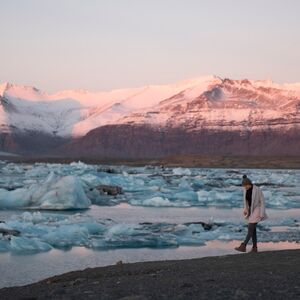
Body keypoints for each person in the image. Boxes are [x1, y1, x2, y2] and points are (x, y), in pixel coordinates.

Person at [234, 175, 268, 253]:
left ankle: (243, 245)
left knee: (250, 227)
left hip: (258, 209)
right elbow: (246, 201)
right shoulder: (245, 190)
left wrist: (262, 213)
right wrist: (246, 209)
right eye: (244, 186)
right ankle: (254, 248)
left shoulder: (257, 190)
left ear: (249, 184)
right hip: (251, 210)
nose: (245, 188)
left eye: (245, 186)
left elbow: (262, 202)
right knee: (253, 230)